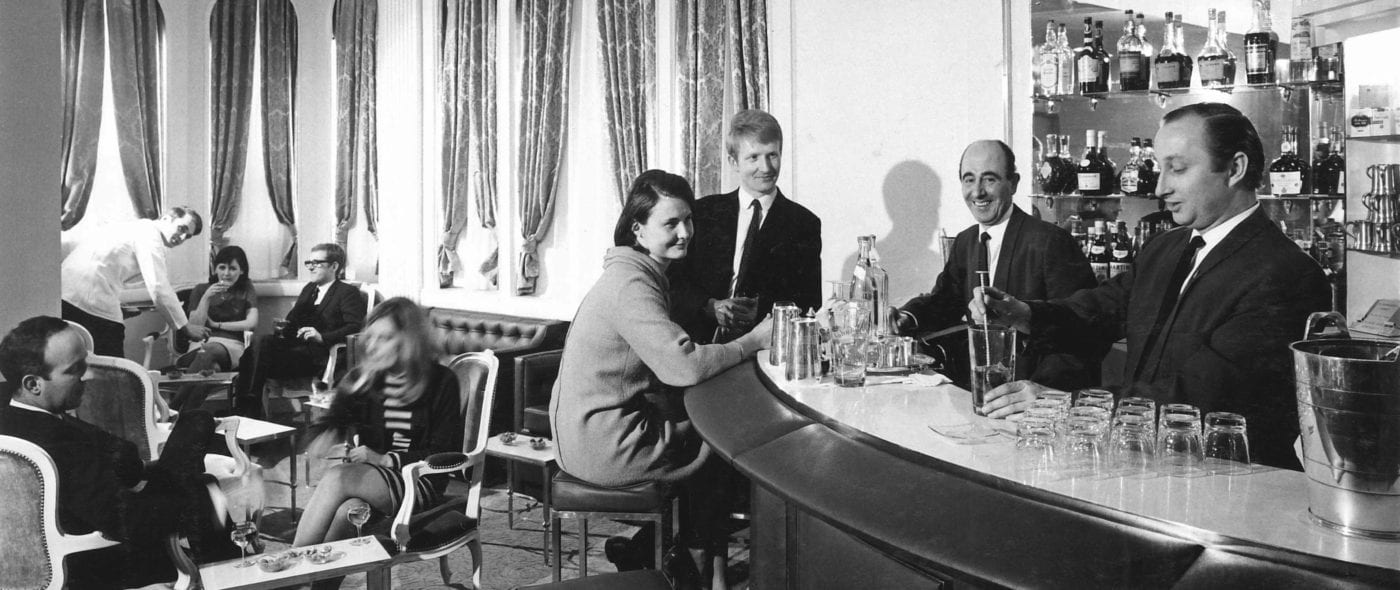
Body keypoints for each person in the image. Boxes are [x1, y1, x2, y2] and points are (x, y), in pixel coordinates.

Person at [971, 103, 1331, 470]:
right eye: (1161, 168)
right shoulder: (1167, 247)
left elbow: (1202, 396)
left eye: (1177, 168)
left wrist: (1064, 404)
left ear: (1235, 169)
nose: (1160, 187)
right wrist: (1023, 313)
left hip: (1226, 485)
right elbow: (1099, 310)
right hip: (1148, 469)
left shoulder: (1286, 274)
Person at [551, 170, 772, 589]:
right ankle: (697, 574)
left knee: (705, 439)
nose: (685, 232)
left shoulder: (633, 274)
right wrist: (752, 341)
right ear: (638, 228)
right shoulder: (633, 286)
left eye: (688, 219)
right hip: (604, 448)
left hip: (586, 435)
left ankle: (648, 553)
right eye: (670, 224)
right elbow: (683, 366)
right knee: (721, 451)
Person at [0, 316, 228, 588]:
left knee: (196, 424)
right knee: (204, 489)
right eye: (75, 369)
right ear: (33, 384)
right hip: (96, 564)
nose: (89, 375)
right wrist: (205, 503)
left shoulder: (18, 420)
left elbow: (123, 466)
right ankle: (229, 573)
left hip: (74, 538)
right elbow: (123, 520)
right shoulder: (54, 443)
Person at [893, 140, 1102, 389]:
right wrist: (906, 317)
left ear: (1013, 183)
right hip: (979, 392)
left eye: (989, 179)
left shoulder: (1051, 242)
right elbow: (944, 302)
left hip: (1032, 399)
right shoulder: (965, 241)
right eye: (969, 180)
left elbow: (1081, 331)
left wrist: (1042, 394)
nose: (978, 192)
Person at [293, 297, 461, 590]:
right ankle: (320, 587)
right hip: (375, 483)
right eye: (371, 338)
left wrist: (386, 460)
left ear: (408, 341)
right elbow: (332, 422)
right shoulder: (365, 378)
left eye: (384, 339)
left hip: (420, 482)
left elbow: (442, 451)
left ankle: (290, 572)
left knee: (339, 477)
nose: (373, 346)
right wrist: (324, 435)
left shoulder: (442, 381)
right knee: (350, 512)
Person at [668, 109, 822, 344]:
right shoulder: (702, 213)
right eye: (754, 157)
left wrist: (761, 312)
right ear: (734, 162)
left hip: (762, 348)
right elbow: (672, 280)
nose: (766, 167)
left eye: (773, 155)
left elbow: (810, 300)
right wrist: (709, 306)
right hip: (696, 344)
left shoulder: (804, 223)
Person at [231, 243, 366, 418]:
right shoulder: (309, 289)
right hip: (294, 353)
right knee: (261, 342)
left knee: (253, 358)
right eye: (309, 262)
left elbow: (355, 327)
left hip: (316, 358)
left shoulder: (346, 292)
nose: (310, 267)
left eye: (317, 262)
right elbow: (293, 320)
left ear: (334, 266)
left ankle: (246, 413)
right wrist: (284, 326)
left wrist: (322, 337)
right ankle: (250, 411)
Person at [60, 207, 209, 358]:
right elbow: (158, 286)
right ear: (165, 219)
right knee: (114, 367)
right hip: (86, 297)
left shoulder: (136, 228)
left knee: (77, 361)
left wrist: (120, 307)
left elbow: (111, 271)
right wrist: (185, 326)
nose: (182, 237)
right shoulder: (150, 234)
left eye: (188, 236)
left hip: (67, 295)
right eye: (181, 228)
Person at [168, 245, 260, 410]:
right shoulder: (201, 289)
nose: (226, 273)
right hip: (199, 347)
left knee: (211, 350)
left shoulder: (246, 289)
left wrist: (217, 325)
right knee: (212, 369)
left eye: (232, 268)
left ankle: (173, 409)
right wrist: (206, 297)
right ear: (215, 268)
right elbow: (195, 325)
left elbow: (251, 322)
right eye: (222, 267)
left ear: (242, 271)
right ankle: (184, 416)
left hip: (232, 348)